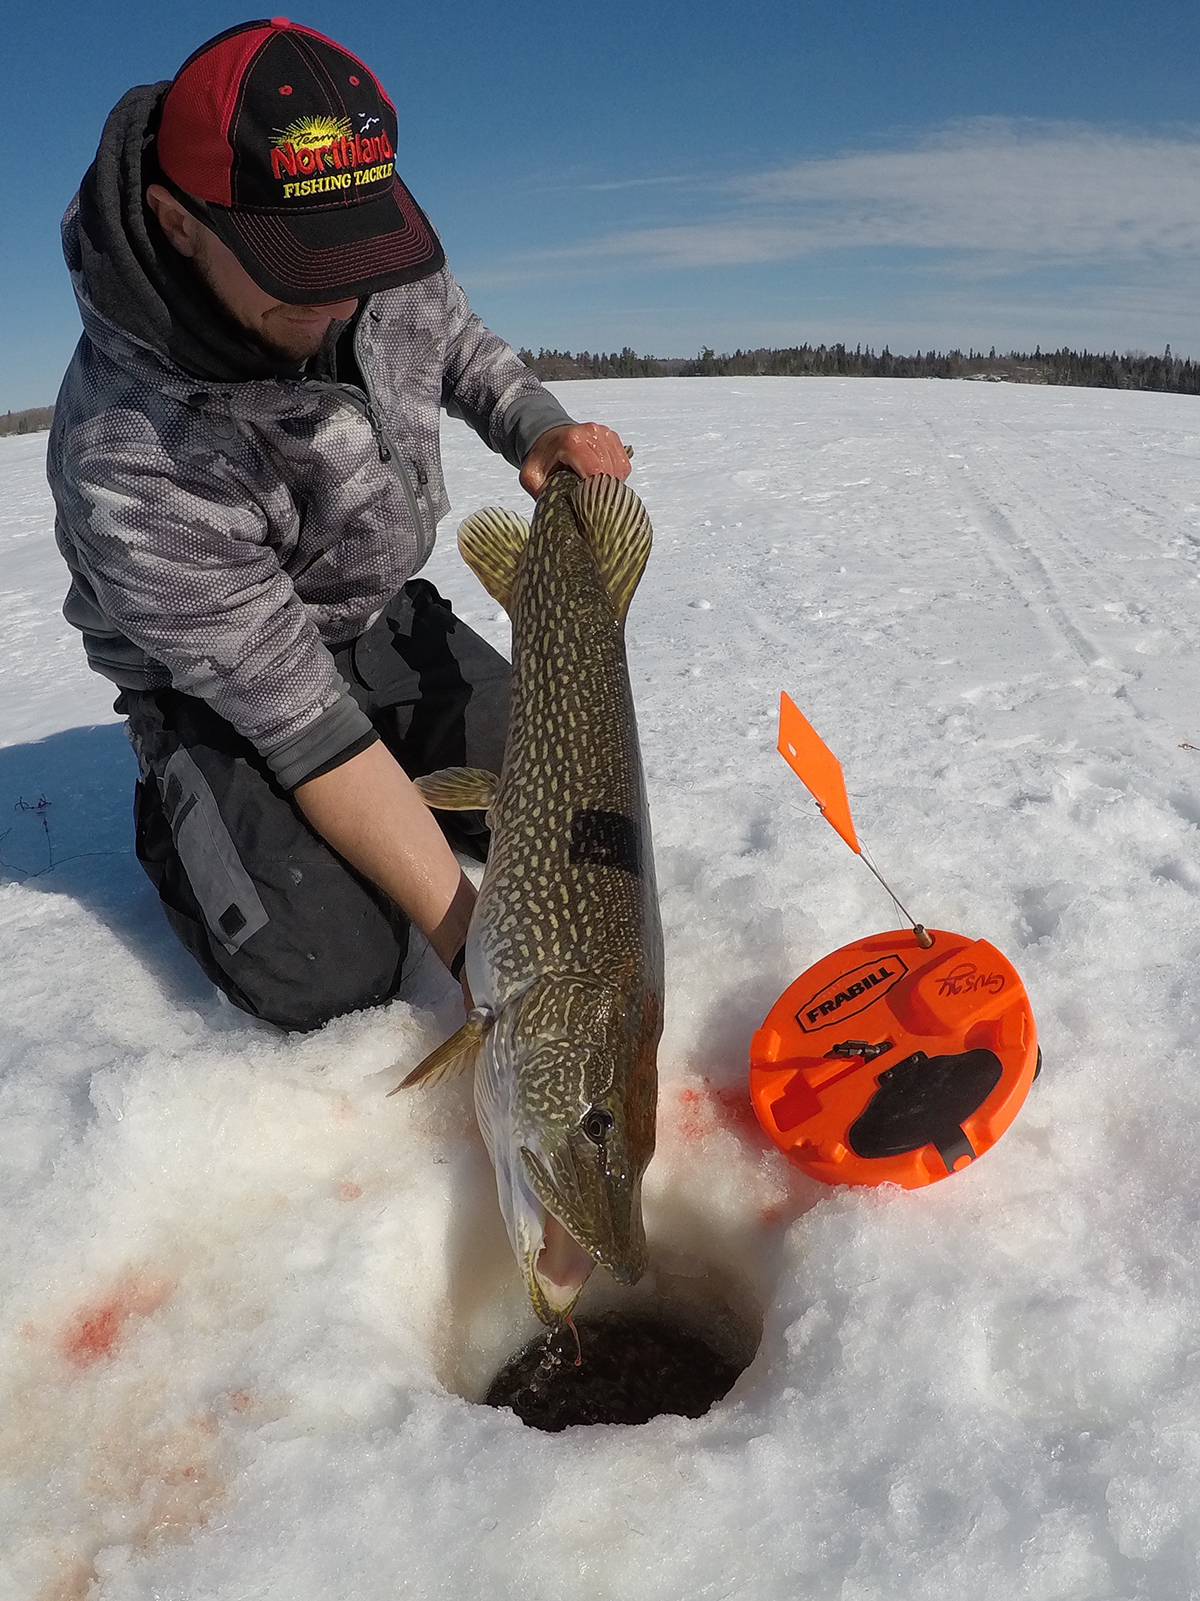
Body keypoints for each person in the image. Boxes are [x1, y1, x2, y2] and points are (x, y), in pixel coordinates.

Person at [47, 18, 631, 1031]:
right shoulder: (131, 449)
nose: (346, 294)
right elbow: (310, 733)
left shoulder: (352, 226)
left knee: (576, 826)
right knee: (331, 968)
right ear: (178, 222)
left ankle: (400, 768)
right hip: (226, 687)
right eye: (299, 270)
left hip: (380, 614)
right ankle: (179, 782)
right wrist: (473, 942)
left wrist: (536, 426)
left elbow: (453, 342)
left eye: (360, 257)